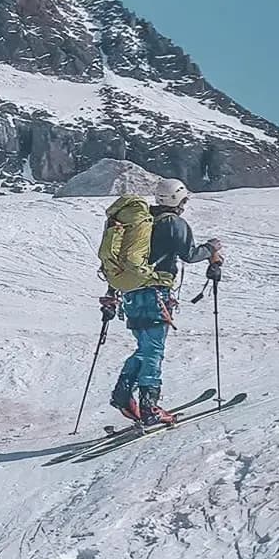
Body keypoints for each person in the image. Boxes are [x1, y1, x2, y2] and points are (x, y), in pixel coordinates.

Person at [100, 178, 225, 425]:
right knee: (154, 350)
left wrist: (112, 295)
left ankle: (123, 394)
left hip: (131, 294)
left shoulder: (140, 223)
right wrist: (211, 248)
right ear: (178, 200)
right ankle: (149, 408)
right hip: (156, 294)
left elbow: (124, 263)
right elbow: (189, 255)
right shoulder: (174, 223)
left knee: (145, 347)